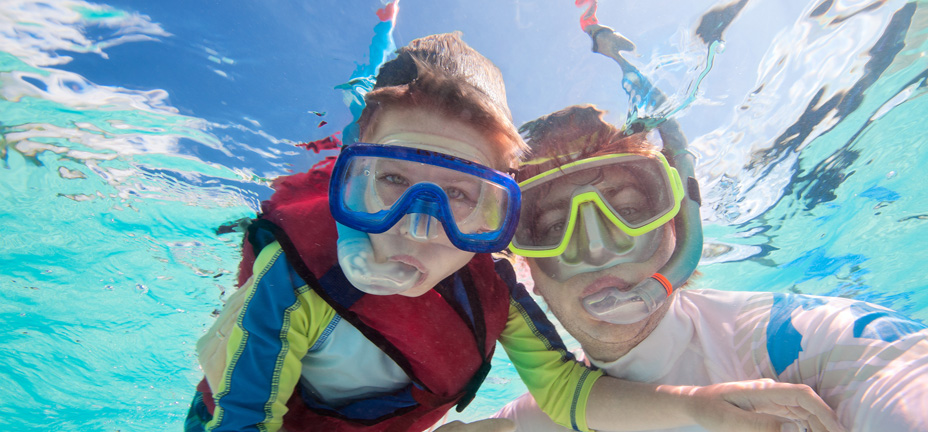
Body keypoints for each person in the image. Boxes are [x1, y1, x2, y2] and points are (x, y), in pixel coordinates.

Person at [184, 33, 845, 432]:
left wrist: (699, 409)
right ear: (350, 178)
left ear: (493, 214)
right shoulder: (295, 284)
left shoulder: (490, 290)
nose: (417, 229)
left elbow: (566, 392)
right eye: (391, 184)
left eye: (460, 197)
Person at [493, 27, 928, 432]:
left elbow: (914, 383)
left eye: (632, 209)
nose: (597, 246)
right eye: (552, 226)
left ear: (681, 224)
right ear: (526, 266)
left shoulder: (808, 344)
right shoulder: (547, 413)